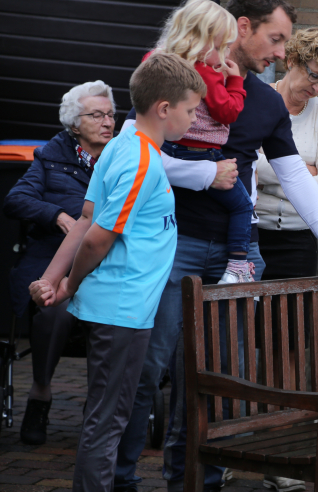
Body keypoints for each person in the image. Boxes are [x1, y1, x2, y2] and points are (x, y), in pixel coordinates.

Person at [113, 0, 318, 492]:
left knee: (216, 380)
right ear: (243, 27)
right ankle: (120, 481)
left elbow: (296, 179)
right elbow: (135, 151)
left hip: (237, 251)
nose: (281, 53)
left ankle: (195, 483)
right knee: (146, 368)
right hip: (171, 244)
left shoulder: (265, 101)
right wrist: (203, 174)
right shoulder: (171, 77)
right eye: (275, 39)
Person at [28, 52, 205, 492]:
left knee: (107, 416)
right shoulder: (140, 160)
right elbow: (95, 238)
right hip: (122, 310)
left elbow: (87, 217)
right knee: (107, 421)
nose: (194, 119)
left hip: (123, 308)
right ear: (164, 108)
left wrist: (51, 280)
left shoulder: (121, 146)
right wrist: (67, 284)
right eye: (191, 110)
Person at [254, 26, 318, 492]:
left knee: (289, 347)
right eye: (314, 75)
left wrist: (278, 173)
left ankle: (282, 453)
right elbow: (246, 165)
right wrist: (297, 172)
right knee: (236, 344)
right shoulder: (258, 101)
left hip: (297, 241)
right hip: (250, 236)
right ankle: (229, 447)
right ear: (290, 60)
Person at [3, 80, 116, 445]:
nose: (107, 122)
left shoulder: (122, 157)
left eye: (110, 114)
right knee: (54, 311)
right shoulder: (52, 156)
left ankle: (99, 408)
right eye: (96, 115)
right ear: (74, 123)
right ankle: (40, 393)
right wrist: (57, 216)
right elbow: (15, 199)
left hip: (106, 263)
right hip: (54, 260)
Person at [155, 0, 256, 284]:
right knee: (243, 205)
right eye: (221, 48)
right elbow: (227, 111)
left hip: (166, 147)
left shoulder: (159, 61)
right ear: (202, 41)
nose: (224, 57)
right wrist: (235, 81)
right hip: (202, 153)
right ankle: (237, 266)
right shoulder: (205, 73)